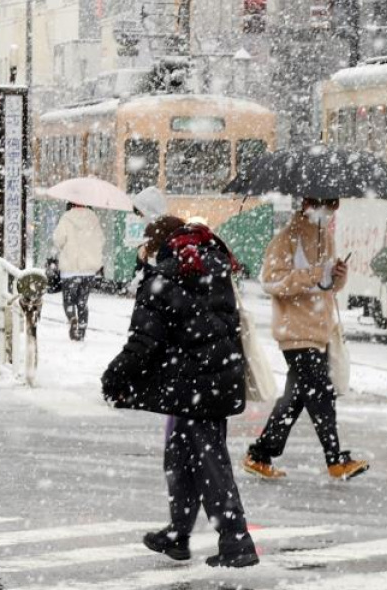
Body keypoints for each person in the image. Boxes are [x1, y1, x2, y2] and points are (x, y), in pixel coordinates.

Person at [101, 217, 259, 569]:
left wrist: (112, 378)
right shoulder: (210, 266)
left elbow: (144, 342)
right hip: (212, 379)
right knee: (182, 458)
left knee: (208, 462)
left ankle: (236, 540)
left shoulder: (165, 278)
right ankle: (178, 533)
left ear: (157, 244)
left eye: (146, 244)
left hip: (195, 386)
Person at [242, 198, 369, 482]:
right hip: (295, 331)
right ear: (308, 204)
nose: (331, 210)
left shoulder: (326, 237)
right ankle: (335, 459)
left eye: (334, 205)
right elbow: (271, 282)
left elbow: (328, 288)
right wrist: (313, 273)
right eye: (327, 204)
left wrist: (338, 276)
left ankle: (260, 454)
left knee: (295, 399)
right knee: (321, 393)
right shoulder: (286, 238)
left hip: (320, 330)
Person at [52, 202, 104, 341]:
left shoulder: (66, 217)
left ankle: (72, 318)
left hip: (70, 269)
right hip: (88, 270)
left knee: (68, 300)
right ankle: (81, 329)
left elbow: (58, 240)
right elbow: (101, 240)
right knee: (82, 302)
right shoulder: (93, 218)